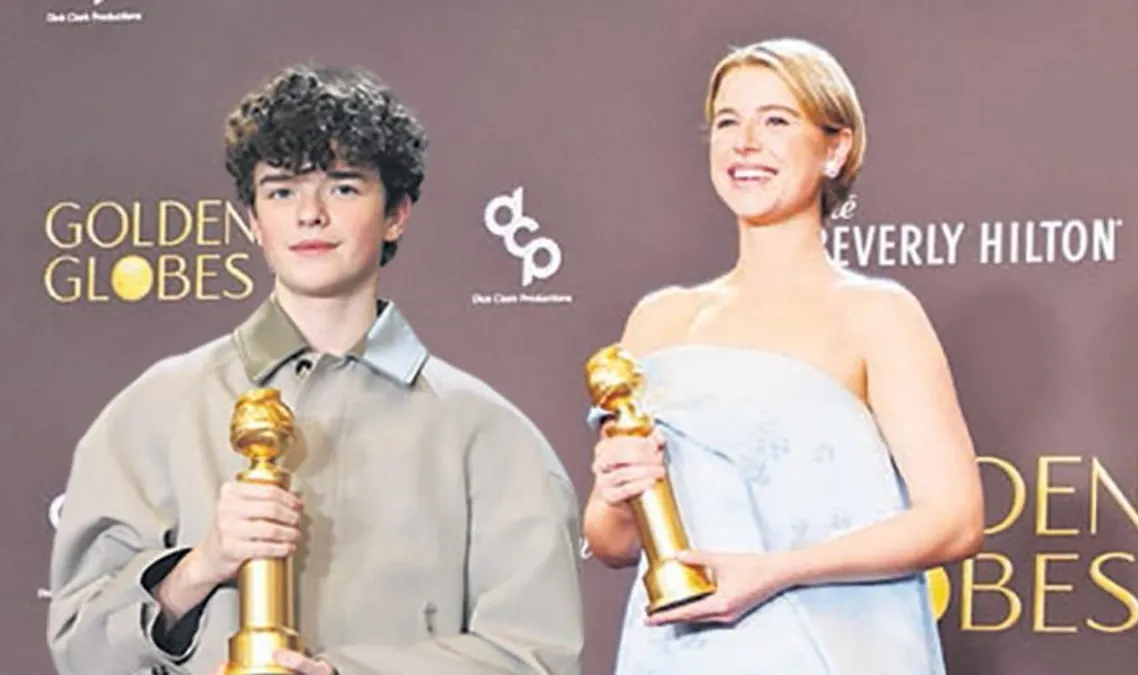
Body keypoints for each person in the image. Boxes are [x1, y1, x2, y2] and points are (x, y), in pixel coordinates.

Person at [46, 64, 585, 675]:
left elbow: (536, 658)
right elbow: (81, 649)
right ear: (253, 221)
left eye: (343, 188)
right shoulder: (154, 411)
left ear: (396, 213)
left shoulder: (490, 436)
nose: (310, 213)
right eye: (281, 191)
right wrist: (200, 567)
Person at [581, 38, 984, 674]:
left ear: (836, 148)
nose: (745, 143)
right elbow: (612, 541)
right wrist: (614, 491)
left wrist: (776, 572)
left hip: (828, 649)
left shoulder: (876, 314)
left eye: (775, 120)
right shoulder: (659, 319)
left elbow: (954, 520)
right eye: (727, 122)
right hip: (681, 652)